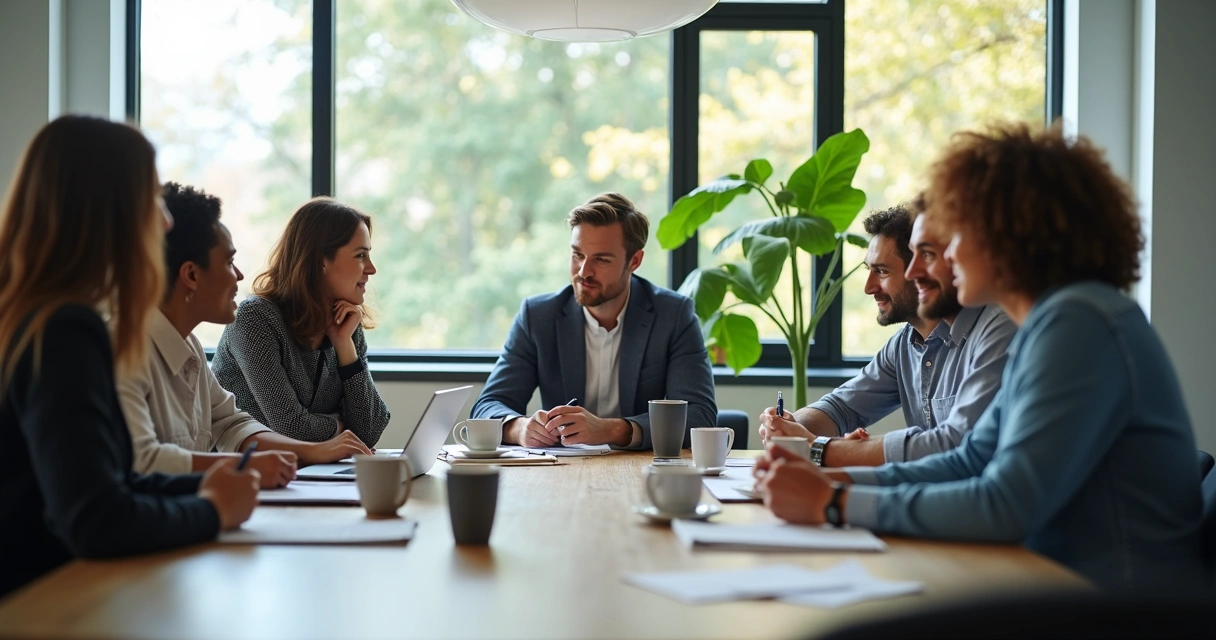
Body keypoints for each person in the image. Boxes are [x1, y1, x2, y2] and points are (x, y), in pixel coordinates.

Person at [754, 123, 1205, 590]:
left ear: (1006, 235)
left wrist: (834, 502)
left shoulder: (1078, 323)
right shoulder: (1052, 324)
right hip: (1058, 582)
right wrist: (836, 483)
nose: (930, 264)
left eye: (950, 240)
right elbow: (968, 461)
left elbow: (1005, 504)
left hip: (1120, 605)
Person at [0, 116, 258, 598]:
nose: (165, 221)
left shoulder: (35, 315)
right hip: (39, 607)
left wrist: (211, 486)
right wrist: (213, 510)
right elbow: (97, 519)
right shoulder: (65, 329)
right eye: (152, 198)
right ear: (109, 212)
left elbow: (114, 481)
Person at [117, 183, 374, 488]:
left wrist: (315, 450)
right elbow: (142, 461)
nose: (239, 275)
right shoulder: (122, 351)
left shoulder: (189, 346)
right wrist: (248, 463)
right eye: (229, 262)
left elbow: (232, 424)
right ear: (191, 275)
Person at [759, 205, 1014, 466]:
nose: (869, 287)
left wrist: (822, 449)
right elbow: (843, 408)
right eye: (869, 270)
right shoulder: (904, 344)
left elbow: (958, 444)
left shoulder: (997, 329)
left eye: (881, 271)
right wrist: (790, 426)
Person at [471, 193, 716, 449]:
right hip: (561, 468)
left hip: (638, 467)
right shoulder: (538, 316)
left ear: (634, 261)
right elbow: (487, 406)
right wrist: (519, 428)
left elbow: (700, 416)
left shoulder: (673, 316)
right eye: (577, 255)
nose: (583, 271)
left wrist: (612, 430)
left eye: (601, 259)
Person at [212, 198, 390, 447]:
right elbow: (291, 427)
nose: (371, 269)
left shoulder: (346, 325)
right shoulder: (254, 319)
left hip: (309, 468)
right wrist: (342, 425)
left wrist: (344, 345)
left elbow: (370, 430)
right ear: (320, 260)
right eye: (360, 255)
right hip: (243, 468)